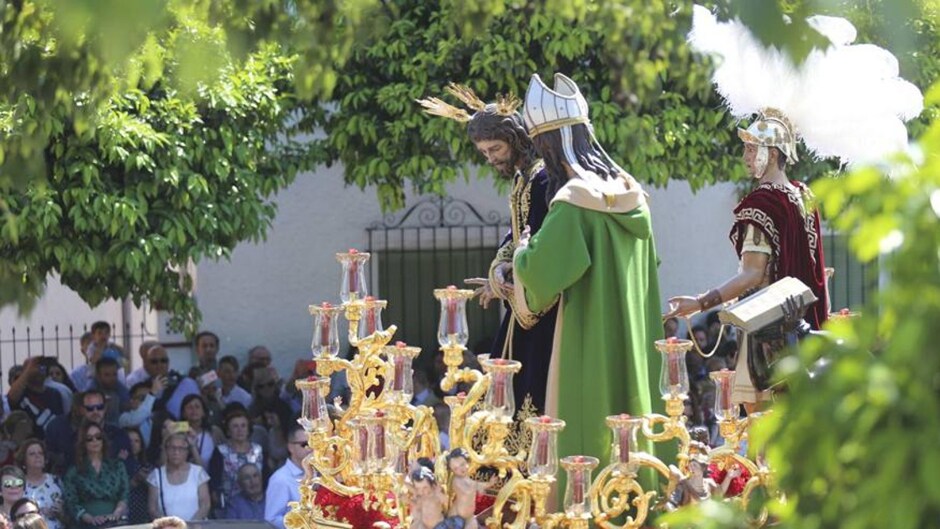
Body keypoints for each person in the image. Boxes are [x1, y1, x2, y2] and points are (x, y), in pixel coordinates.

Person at [512, 73, 663, 468]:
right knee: (636, 424)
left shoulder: (574, 203)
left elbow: (540, 275)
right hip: (634, 340)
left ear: (550, 144)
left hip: (586, 340)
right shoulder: (635, 197)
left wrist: (523, 249)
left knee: (586, 432)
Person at [664, 109, 828, 405]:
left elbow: (752, 275)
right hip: (803, 329)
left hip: (766, 332)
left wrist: (701, 302)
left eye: (752, 149)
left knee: (761, 433)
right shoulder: (803, 196)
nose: (745, 157)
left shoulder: (762, 203)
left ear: (773, 154)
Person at [418, 83, 557, 414]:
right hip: (520, 304)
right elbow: (514, 234)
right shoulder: (522, 178)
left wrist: (506, 275)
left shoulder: (541, 178)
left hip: (538, 305)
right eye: (484, 153)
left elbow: (536, 236)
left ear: (516, 139)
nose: (491, 158)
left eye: (495, 149)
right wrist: (498, 271)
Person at [62, 421, 129, 528]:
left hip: (115, 523)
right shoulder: (74, 472)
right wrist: (90, 518)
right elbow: (71, 502)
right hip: (86, 525)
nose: (95, 441)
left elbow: (124, 494)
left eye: (98, 437)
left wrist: (116, 513)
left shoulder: (117, 466)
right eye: (89, 438)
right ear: (83, 443)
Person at [208, 409, 263, 516]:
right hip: (229, 508)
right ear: (228, 431)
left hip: (255, 506)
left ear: (248, 429)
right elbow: (214, 483)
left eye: (243, 426)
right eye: (235, 426)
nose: (240, 430)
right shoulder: (220, 451)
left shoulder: (258, 450)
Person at [147, 433, 210, 521]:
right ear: (166, 450)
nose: (176, 452)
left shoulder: (198, 473)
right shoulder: (156, 475)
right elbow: (152, 509)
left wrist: (191, 524)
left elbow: (205, 504)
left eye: (181, 448)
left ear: (187, 451)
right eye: (172, 448)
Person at [264, 425, 311, 529]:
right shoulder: (280, 479)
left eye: (313, 444)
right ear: (290, 447)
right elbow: (272, 518)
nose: (310, 449)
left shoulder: (320, 474)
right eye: (304, 444)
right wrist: (302, 525)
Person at [15, 440, 63, 529]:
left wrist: (61, 512)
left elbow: (69, 512)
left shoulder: (56, 481)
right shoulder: (17, 484)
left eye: (40, 453)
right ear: (24, 460)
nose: (37, 456)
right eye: (32, 454)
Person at [445, 449, 493, 529]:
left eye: (462, 464)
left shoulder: (466, 478)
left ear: (468, 462)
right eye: (456, 469)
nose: (461, 469)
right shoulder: (457, 481)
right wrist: (488, 484)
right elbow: (472, 486)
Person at [124, 427, 153, 524]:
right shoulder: (117, 466)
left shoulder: (148, 466)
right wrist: (134, 481)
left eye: (137, 441)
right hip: (125, 513)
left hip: (144, 513)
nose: (133, 444)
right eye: (129, 440)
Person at [179, 395, 214, 469]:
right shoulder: (177, 433)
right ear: (183, 413)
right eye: (189, 407)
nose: (194, 410)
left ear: (203, 412)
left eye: (197, 407)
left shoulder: (214, 432)